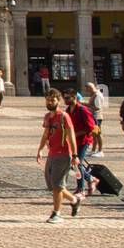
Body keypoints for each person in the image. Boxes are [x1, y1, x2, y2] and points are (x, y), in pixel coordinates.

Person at [36, 89, 82, 223]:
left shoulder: (64, 116)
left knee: (57, 185)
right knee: (53, 185)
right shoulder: (47, 117)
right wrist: (40, 149)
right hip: (52, 153)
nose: (50, 102)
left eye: (53, 100)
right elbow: (45, 134)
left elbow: (71, 135)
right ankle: (74, 200)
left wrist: (75, 154)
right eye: (48, 99)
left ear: (58, 101)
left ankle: (57, 213)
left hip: (63, 154)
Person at [85, 83, 106, 156]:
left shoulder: (97, 95)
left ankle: (100, 151)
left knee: (98, 133)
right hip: (93, 117)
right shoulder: (94, 94)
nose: (86, 91)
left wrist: (87, 107)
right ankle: (93, 150)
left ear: (90, 88)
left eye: (87, 89)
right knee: (94, 134)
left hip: (97, 118)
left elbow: (97, 107)